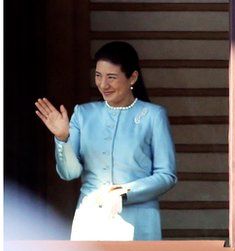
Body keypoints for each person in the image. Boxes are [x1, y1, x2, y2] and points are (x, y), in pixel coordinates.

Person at [35, 41, 177, 240]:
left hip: (139, 221)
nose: (103, 84)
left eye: (111, 77)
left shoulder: (153, 116)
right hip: (91, 219)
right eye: (98, 76)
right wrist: (62, 138)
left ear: (132, 77)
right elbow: (69, 173)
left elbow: (166, 175)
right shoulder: (83, 114)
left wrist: (126, 192)